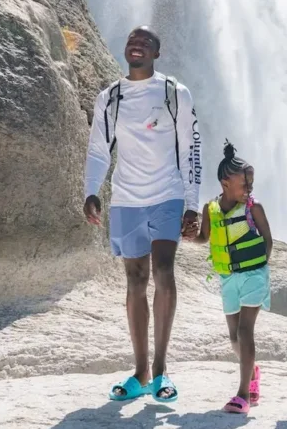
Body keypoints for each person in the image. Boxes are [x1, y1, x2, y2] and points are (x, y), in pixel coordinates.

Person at [83, 26, 202, 402]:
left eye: (145, 42)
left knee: (163, 270)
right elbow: (99, 148)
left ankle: (163, 369)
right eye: (132, 40)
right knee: (135, 278)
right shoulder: (111, 96)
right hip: (126, 198)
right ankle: (141, 371)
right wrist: (90, 190)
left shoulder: (173, 93)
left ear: (156, 53)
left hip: (166, 194)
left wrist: (192, 203)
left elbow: (191, 147)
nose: (137, 45)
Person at [192, 140, 273, 414]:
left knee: (244, 330)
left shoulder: (254, 207)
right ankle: (252, 373)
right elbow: (205, 237)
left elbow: (268, 241)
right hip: (228, 278)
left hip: (253, 275)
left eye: (251, 184)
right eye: (245, 185)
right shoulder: (210, 210)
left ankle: (243, 395)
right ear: (225, 183)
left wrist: (260, 270)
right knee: (233, 338)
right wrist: (192, 237)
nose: (249, 189)